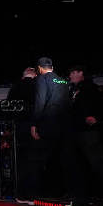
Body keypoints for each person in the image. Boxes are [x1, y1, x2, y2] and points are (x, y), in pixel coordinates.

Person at [67, 65, 103, 204]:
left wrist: (96, 118)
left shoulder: (92, 89)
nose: (70, 76)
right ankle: (85, 196)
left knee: (97, 164)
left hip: (89, 133)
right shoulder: (74, 90)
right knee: (81, 166)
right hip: (77, 133)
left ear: (80, 73)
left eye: (73, 73)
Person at [30, 57, 71, 198]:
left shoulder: (42, 79)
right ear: (52, 67)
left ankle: (48, 192)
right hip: (64, 125)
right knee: (61, 159)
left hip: (48, 124)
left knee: (46, 158)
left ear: (40, 68)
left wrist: (34, 123)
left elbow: (40, 101)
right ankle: (63, 191)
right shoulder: (63, 81)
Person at [7, 67, 38, 204]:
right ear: (35, 75)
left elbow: (8, 108)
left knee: (21, 161)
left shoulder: (15, 88)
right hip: (35, 127)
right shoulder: (37, 86)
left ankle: (21, 194)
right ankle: (31, 194)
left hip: (19, 128)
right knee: (33, 161)